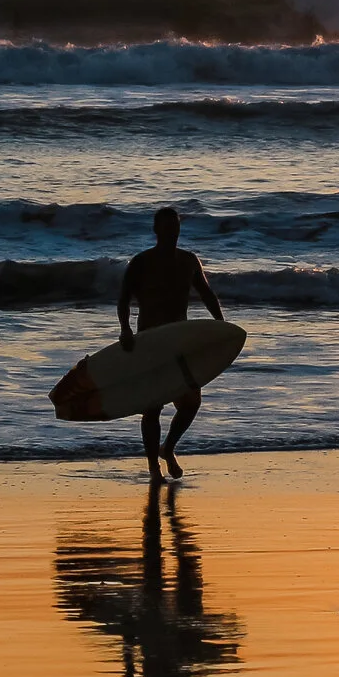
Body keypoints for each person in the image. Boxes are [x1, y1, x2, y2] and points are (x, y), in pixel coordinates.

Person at [118, 207, 226, 482]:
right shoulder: (141, 262)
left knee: (191, 403)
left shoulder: (189, 261)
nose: (171, 232)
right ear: (156, 230)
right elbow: (123, 299)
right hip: (150, 342)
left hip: (180, 341)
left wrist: (221, 325)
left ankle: (169, 448)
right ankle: (154, 467)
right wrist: (125, 329)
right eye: (166, 227)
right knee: (152, 408)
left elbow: (207, 294)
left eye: (175, 227)